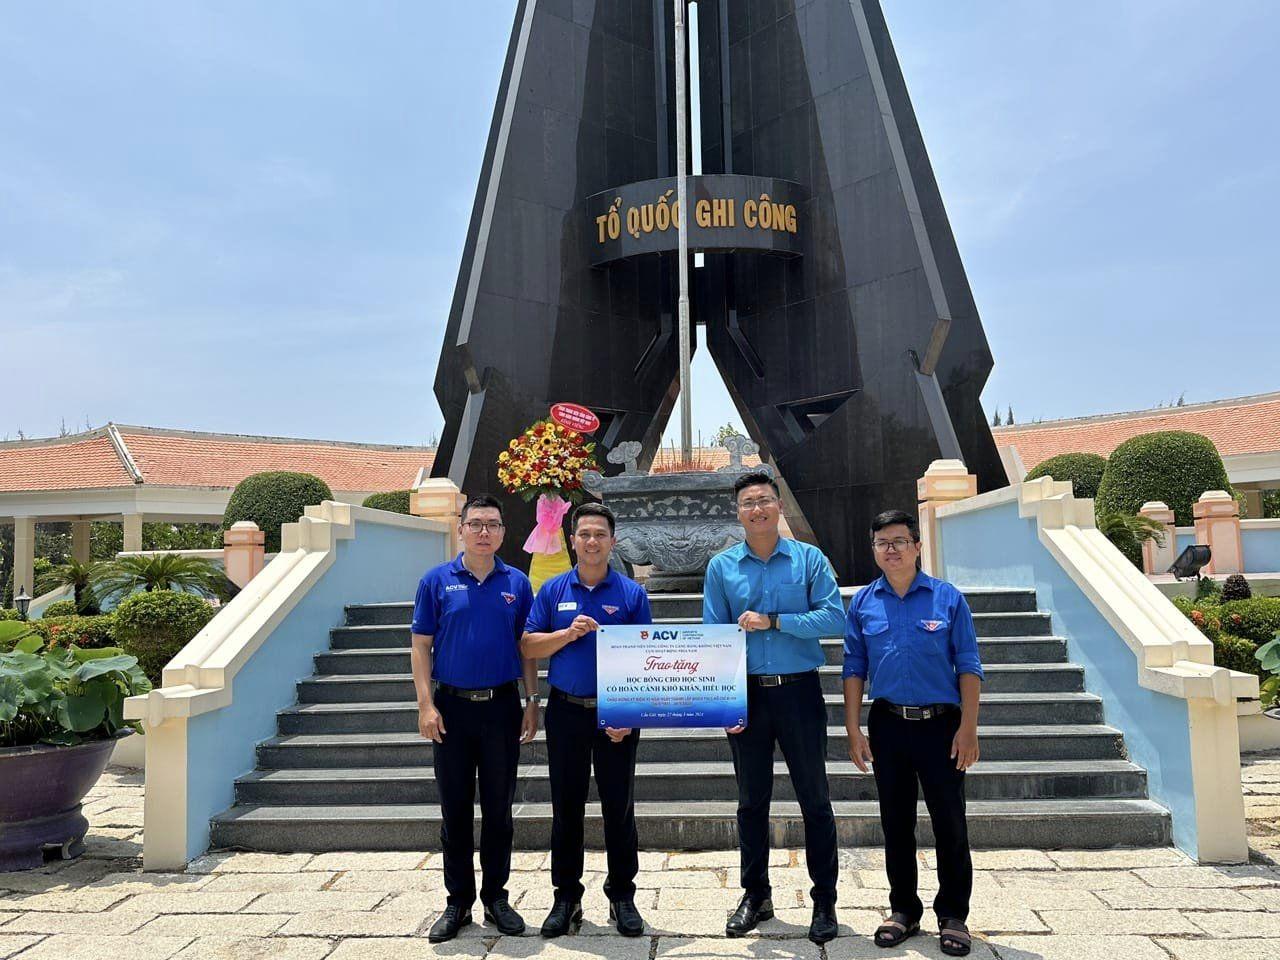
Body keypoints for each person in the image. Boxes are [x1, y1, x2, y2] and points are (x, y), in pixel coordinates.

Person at [702, 471, 846, 944]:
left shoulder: (809, 559)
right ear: (738, 511)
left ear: (778, 505)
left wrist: (776, 622)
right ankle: (755, 895)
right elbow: (713, 639)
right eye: (748, 502)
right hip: (746, 695)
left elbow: (833, 617)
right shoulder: (722, 567)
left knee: (815, 798)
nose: (757, 508)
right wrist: (722, 704)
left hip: (799, 691)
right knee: (750, 801)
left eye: (764, 500)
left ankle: (824, 899)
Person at [842, 509, 983, 957]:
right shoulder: (864, 603)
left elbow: (969, 666)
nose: (891, 549)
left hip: (942, 725)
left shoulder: (947, 599)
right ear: (875, 550)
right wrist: (853, 728)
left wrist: (969, 728)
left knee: (950, 822)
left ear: (917, 546)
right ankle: (903, 908)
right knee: (896, 821)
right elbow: (853, 668)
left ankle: (953, 915)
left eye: (900, 541)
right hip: (887, 724)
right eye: (882, 542)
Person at [410, 494, 540, 943]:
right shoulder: (436, 581)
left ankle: (497, 897)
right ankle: (457, 902)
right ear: (461, 528)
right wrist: (426, 705)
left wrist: (531, 699)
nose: (484, 532)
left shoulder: (517, 584)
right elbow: (420, 647)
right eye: (476, 524)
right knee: (456, 810)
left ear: (504, 533)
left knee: (500, 810)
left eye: (493, 525)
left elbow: (526, 647)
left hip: (502, 708)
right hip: (452, 711)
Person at [521, 502, 652, 938]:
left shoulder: (632, 594)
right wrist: (566, 634)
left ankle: (622, 896)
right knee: (567, 808)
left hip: (615, 715)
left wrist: (630, 715)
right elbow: (529, 647)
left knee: (619, 807)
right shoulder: (553, 591)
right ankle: (566, 897)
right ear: (572, 540)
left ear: (613, 542)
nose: (592, 541)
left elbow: (647, 659)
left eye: (600, 534)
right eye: (584, 534)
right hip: (566, 712)